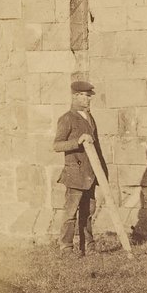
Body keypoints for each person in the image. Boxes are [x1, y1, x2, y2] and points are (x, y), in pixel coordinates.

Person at [53, 78, 107, 254]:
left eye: (89, 96)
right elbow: (57, 145)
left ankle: (88, 247)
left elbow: (97, 148)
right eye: (84, 95)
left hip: (90, 174)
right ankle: (66, 248)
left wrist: (103, 174)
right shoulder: (67, 118)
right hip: (74, 174)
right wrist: (78, 141)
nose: (88, 99)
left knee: (88, 212)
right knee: (70, 213)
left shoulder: (90, 118)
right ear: (75, 96)